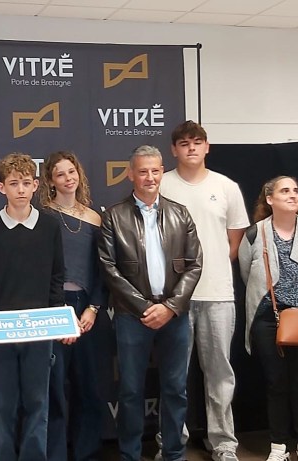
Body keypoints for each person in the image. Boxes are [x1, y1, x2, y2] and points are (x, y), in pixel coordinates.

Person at [98, 145, 202, 461]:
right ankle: (129, 455)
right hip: (133, 317)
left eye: (155, 171)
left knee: (175, 390)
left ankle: (173, 454)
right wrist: (144, 308)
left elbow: (195, 263)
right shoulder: (114, 216)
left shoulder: (180, 213)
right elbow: (108, 268)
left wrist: (170, 307)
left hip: (174, 316)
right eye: (142, 171)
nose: (150, 177)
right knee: (130, 391)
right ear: (130, 174)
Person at [159, 120, 249, 461]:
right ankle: (171, 443)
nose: (191, 148)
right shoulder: (162, 184)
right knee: (173, 375)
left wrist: (211, 268)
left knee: (220, 374)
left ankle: (224, 443)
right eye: (184, 143)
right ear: (174, 149)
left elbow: (233, 242)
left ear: (207, 147)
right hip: (173, 298)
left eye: (197, 142)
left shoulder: (226, 187)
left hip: (217, 294)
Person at [0, 153, 66, 461]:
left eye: (26, 183)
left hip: (39, 331)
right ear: (2, 188)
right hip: (1, 332)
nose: (21, 190)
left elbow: (56, 277)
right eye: (14, 184)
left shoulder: (50, 227)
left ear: (36, 185)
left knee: (38, 403)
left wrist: (59, 319)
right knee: (2, 405)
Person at [237, 177, 298, 461]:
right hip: (268, 318)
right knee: (276, 383)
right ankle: (278, 447)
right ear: (269, 199)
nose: (292, 195)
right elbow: (247, 275)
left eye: (296, 191)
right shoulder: (255, 234)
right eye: (285, 191)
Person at [39, 151, 107, 461]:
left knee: (89, 387)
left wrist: (93, 308)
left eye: (72, 171)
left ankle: (86, 453)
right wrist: (56, 311)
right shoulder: (43, 216)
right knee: (53, 389)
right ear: (50, 182)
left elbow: (102, 271)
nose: (68, 178)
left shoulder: (94, 218)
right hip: (54, 308)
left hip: (87, 309)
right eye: (60, 174)